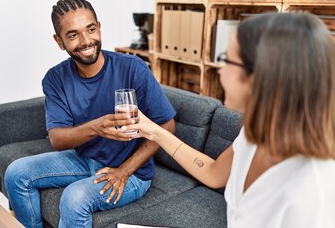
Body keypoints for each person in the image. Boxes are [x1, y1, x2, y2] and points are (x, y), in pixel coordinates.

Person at [125, 12, 335, 227]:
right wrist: (154, 131)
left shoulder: (313, 191)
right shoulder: (253, 135)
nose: (220, 72)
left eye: (227, 60)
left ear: (261, 77)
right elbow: (213, 173)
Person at [4, 0, 175, 228]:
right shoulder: (55, 78)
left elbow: (167, 125)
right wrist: (97, 127)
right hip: (84, 159)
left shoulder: (132, 68)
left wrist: (124, 171)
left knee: (74, 199)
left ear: (99, 28)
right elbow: (57, 138)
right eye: (73, 35)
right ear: (59, 41)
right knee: (16, 173)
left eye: (91, 29)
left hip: (132, 172)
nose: (86, 41)